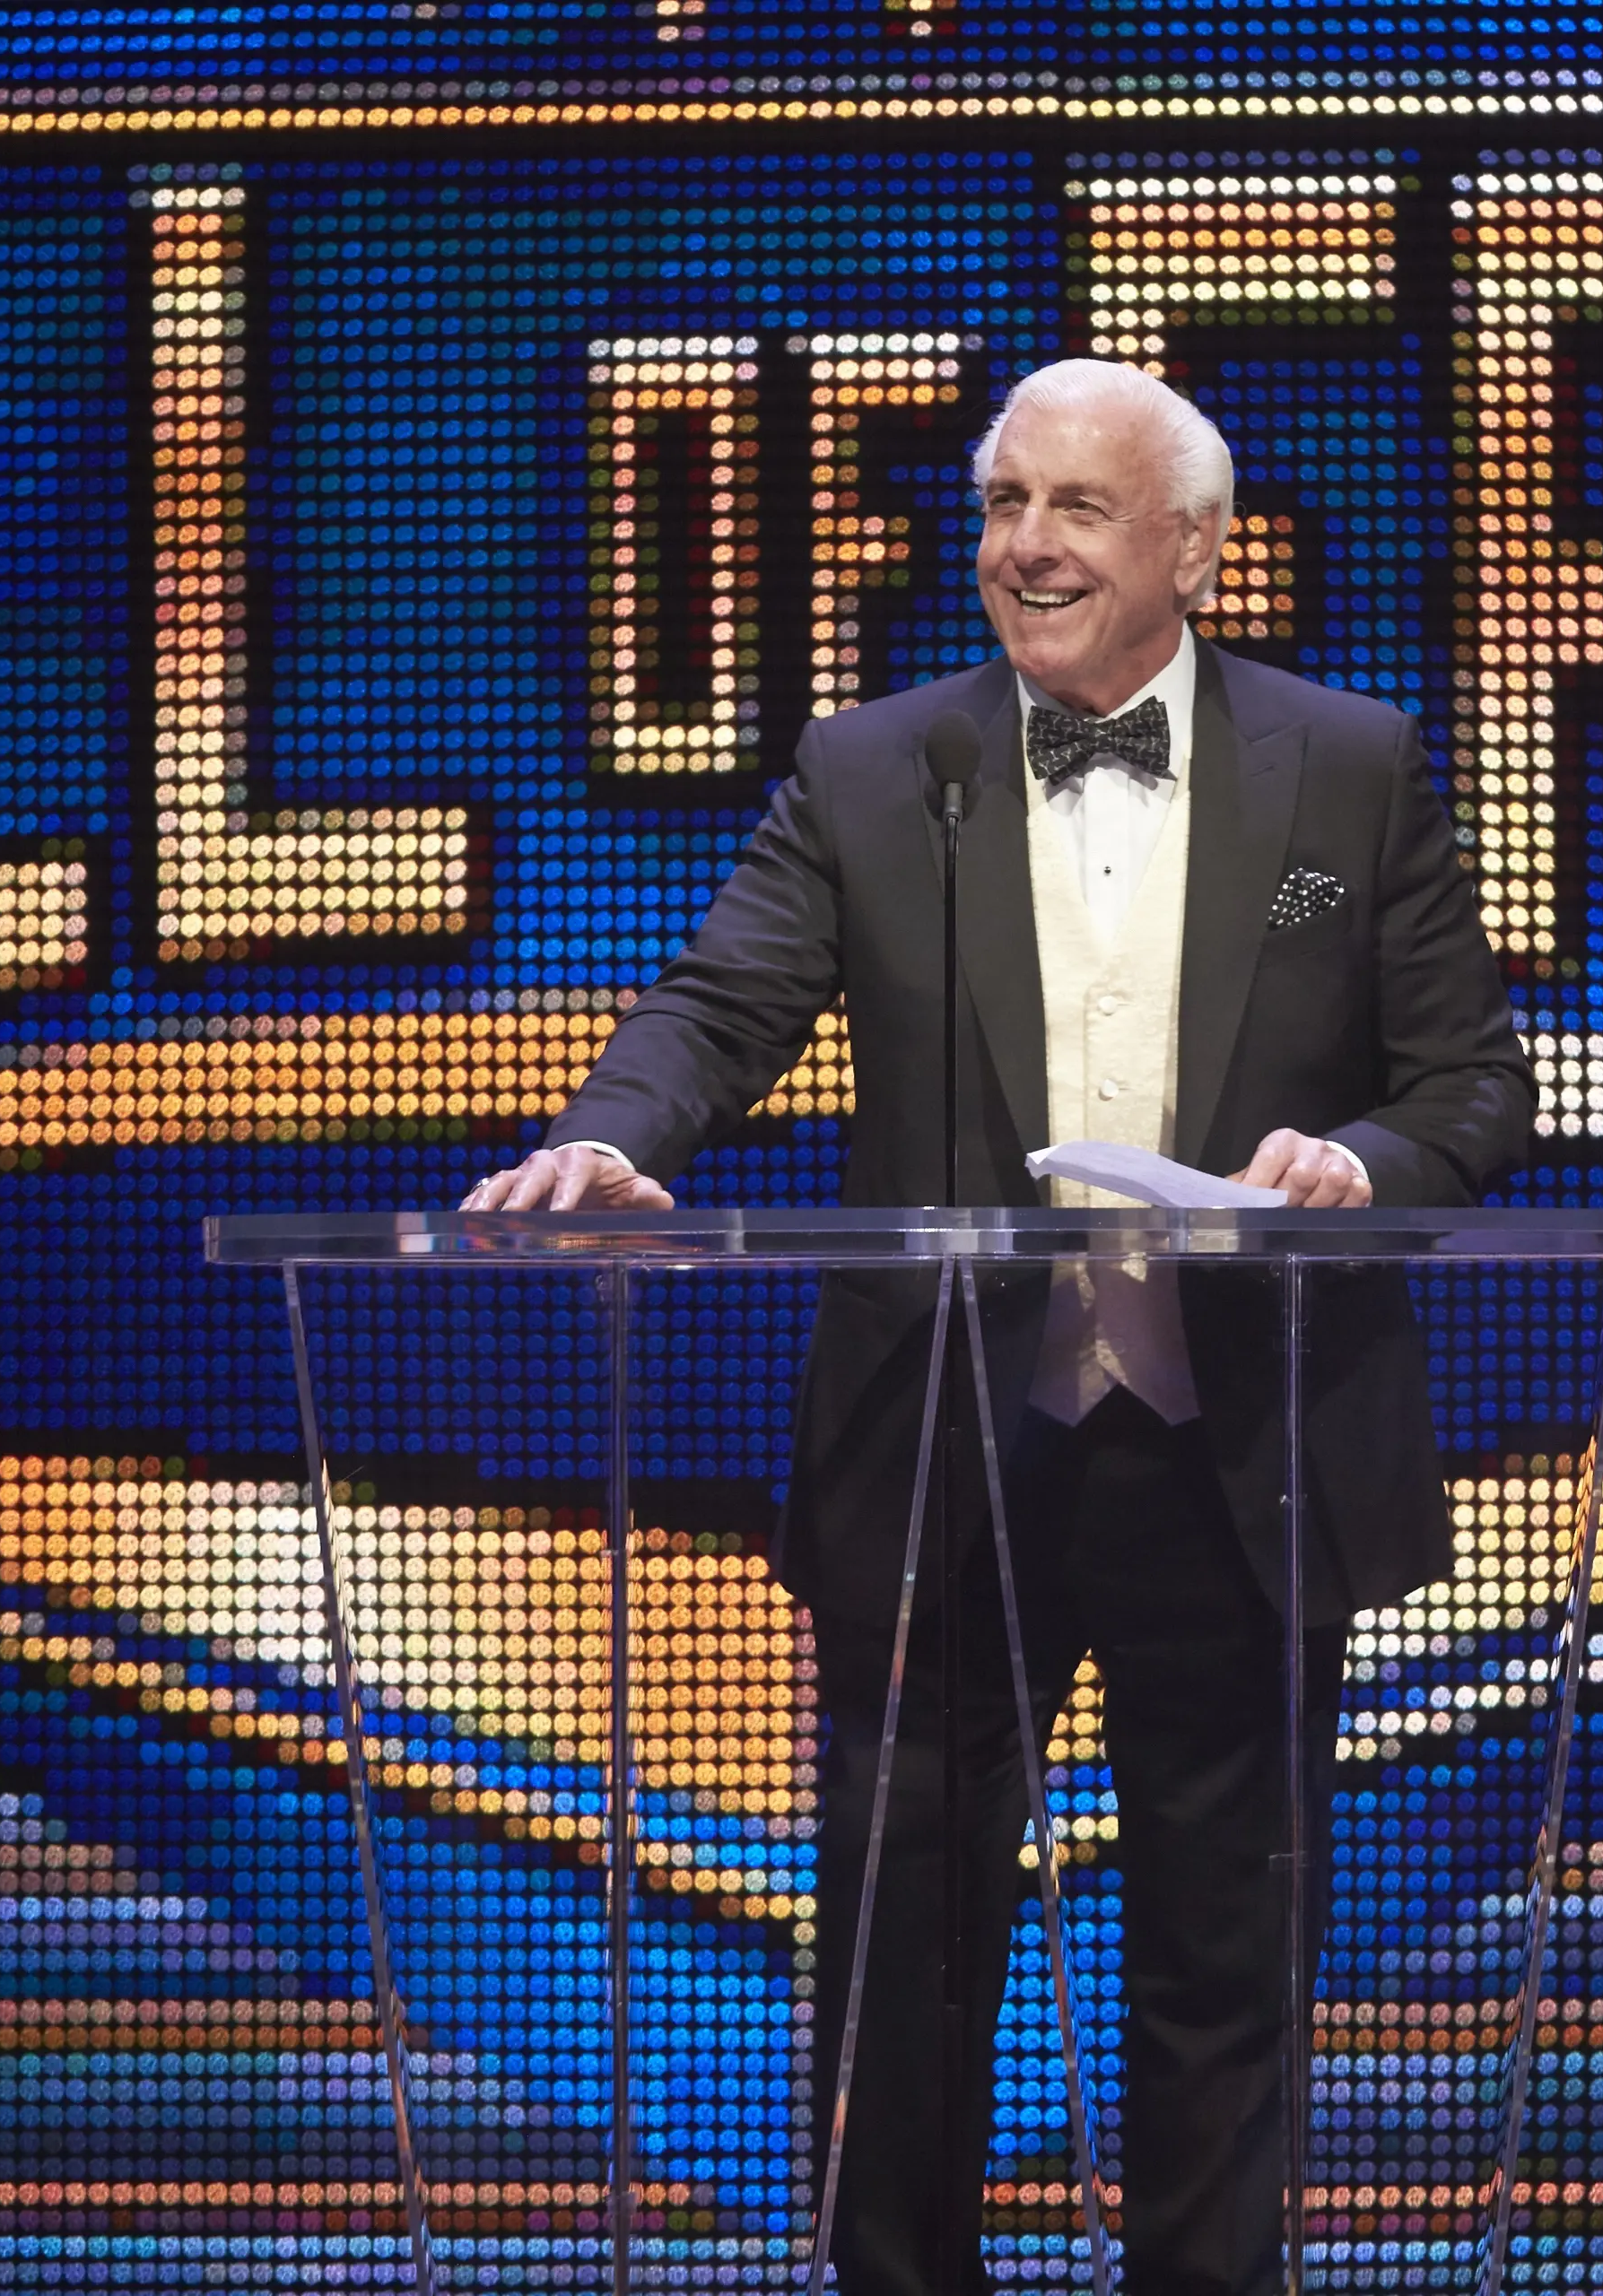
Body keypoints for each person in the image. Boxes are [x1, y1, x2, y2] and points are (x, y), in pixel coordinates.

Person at [465, 358, 1532, 2296]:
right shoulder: (882, 768)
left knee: (1228, 1959)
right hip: (944, 1452)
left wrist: (1356, 1167)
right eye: (1004, 505)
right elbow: (721, 1004)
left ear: (1194, 550)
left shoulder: (1350, 770)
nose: (1026, 547)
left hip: (1246, 1451)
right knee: (905, 1959)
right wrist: (615, 1138)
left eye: (1077, 509)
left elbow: (1469, 1087)